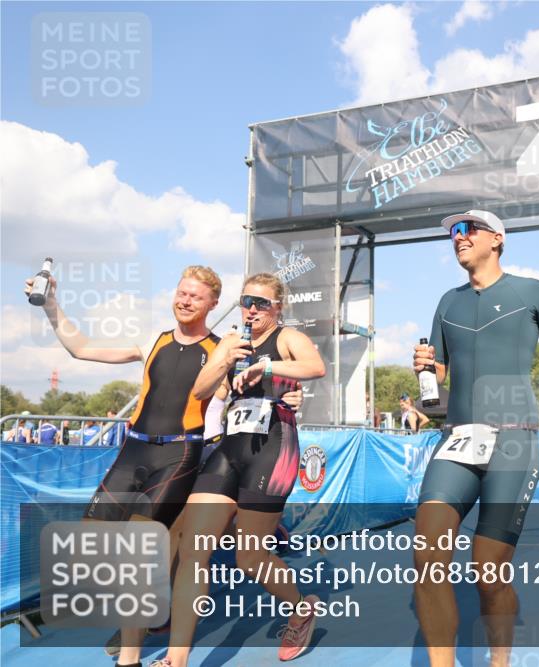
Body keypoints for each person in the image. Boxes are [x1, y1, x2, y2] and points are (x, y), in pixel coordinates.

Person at [26, 265, 280, 667]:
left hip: (179, 455)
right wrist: (51, 304)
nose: (185, 300)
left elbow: (240, 388)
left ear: (213, 304)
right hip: (133, 453)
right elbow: (82, 349)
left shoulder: (222, 348)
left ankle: (130, 659)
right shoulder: (153, 340)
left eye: (195, 297)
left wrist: (275, 392)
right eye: (181, 292)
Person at [411, 209, 539, 667]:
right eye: (454, 232)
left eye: (468, 229)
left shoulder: (531, 292)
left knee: (488, 572)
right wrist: (426, 380)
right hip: (457, 439)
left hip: (515, 439)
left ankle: (500, 660)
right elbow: (441, 390)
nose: (459, 237)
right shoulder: (447, 302)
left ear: (498, 239)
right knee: (427, 551)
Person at [156, 272, 326, 667]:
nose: (252, 308)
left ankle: (301, 606)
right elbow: (204, 392)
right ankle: (176, 659)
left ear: (277, 308)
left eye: (261, 303)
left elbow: (314, 367)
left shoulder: (286, 337)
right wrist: (224, 364)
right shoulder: (233, 341)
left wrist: (267, 370)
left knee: (249, 559)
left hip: (273, 448)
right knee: (194, 547)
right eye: (247, 300)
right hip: (230, 448)